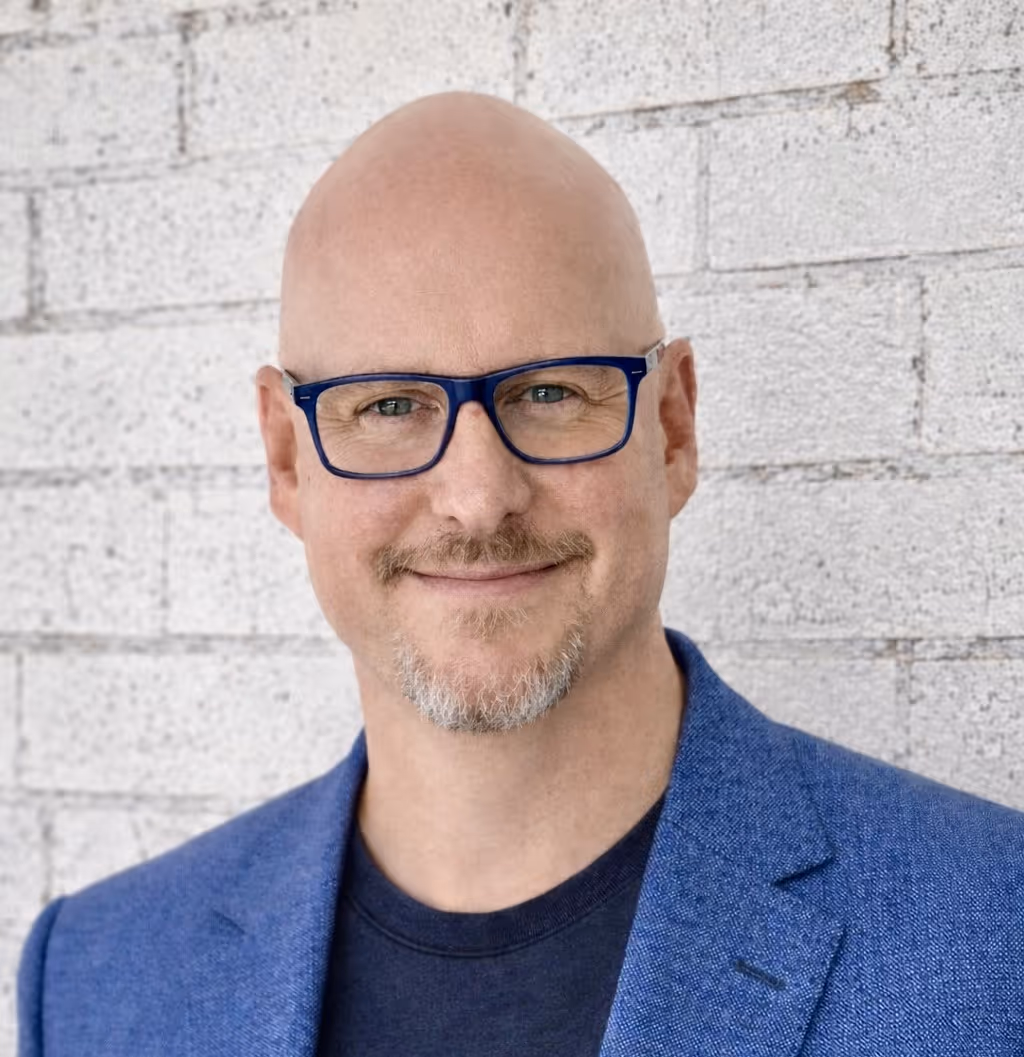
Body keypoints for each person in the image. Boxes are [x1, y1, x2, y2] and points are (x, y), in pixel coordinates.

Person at [17, 91, 1024, 1057]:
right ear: (286, 459)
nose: (476, 496)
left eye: (549, 391)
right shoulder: (101, 980)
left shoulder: (994, 937)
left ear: (671, 427)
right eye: (388, 405)